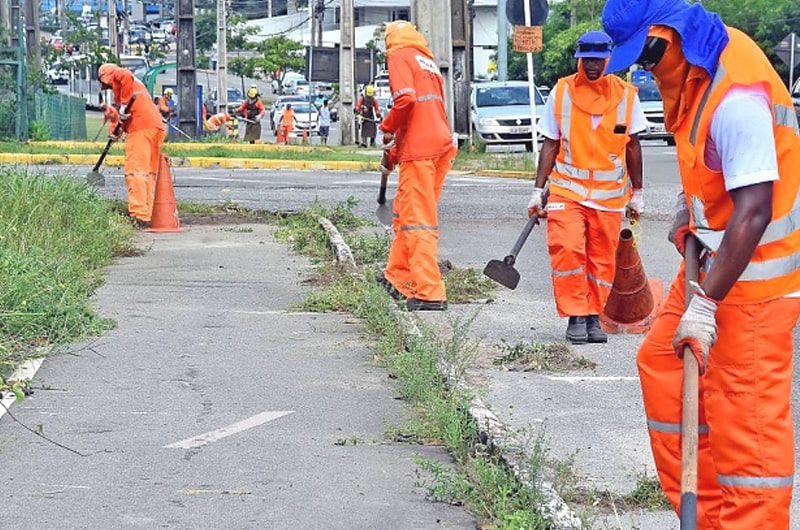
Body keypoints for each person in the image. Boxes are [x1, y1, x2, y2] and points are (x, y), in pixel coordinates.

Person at [601, 1, 800, 527]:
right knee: (663, 365)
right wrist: (690, 210)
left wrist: (706, 305)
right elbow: (716, 172)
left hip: (752, 290)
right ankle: (709, 520)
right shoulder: (693, 74)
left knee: (748, 445)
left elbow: (755, 208)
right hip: (713, 264)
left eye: (645, 52)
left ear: (670, 33)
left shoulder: (734, 95)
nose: (642, 66)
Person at [526, 30, 646, 344]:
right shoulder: (562, 91)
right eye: (586, 59)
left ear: (609, 59)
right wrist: (538, 190)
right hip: (566, 190)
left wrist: (638, 192)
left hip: (608, 196)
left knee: (602, 259)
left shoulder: (627, 96)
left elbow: (633, 147)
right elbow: (551, 144)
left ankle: (594, 315)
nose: (591, 65)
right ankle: (575, 315)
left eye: (597, 59)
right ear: (579, 59)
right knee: (566, 250)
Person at [376, 21, 457, 311]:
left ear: (390, 40)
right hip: (439, 145)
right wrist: (395, 150)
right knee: (404, 215)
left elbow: (406, 101)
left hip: (421, 151)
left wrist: (385, 128)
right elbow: (424, 110)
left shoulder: (398, 54)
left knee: (417, 220)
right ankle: (398, 279)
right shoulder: (428, 61)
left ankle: (429, 292)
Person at [98, 63, 165, 229]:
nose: (108, 87)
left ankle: (138, 215)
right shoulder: (132, 86)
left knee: (135, 172)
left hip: (140, 129)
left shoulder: (120, 76)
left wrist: (123, 104)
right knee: (148, 174)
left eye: (107, 84)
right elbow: (124, 117)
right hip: (155, 127)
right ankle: (147, 212)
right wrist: (115, 132)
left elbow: (125, 75)